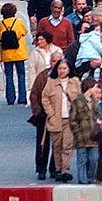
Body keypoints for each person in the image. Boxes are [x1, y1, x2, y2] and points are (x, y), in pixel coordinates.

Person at [42, 59, 82, 183]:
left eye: (64, 68)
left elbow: (79, 99)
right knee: (57, 146)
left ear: (69, 69)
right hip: (56, 119)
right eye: (60, 68)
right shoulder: (51, 83)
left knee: (67, 146)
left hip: (70, 119)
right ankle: (58, 170)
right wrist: (51, 114)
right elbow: (44, 98)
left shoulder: (74, 82)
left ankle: (66, 170)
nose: (62, 71)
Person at [30, 51, 63, 180]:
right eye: (54, 61)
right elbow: (34, 94)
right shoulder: (43, 76)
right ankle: (41, 168)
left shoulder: (66, 77)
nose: (56, 64)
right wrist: (37, 111)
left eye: (59, 62)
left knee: (58, 143)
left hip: (60, 114)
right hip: (43, 115)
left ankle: (54, 168)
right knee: (42, 143)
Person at [69, 77, 102, 184]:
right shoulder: (77, 102)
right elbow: (73, 119)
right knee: (82, 160)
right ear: (89, 87)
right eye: (94, 87)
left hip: (94, 136)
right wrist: (77, 132)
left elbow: (99, 115)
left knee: (94, 159)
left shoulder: (95, 102)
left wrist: (98, 124)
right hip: (82, 136)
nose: (96, 89)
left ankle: (90, 178)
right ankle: (82, 181)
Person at [0, 3, 29, 105]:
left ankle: (10, 98)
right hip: (19, 52)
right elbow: (25, 31)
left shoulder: (2, 24)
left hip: (7, 53)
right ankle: (22, 97)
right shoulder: (18, 21)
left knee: (9, 76)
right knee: (21, 74)